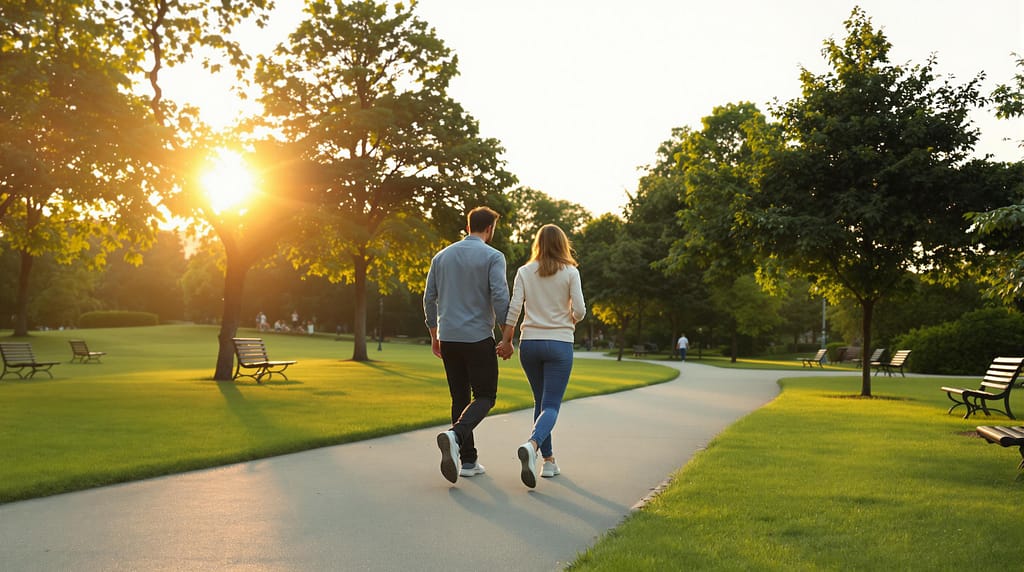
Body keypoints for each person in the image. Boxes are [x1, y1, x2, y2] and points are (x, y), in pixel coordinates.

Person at [423, 206, 510, 484]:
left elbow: (428, 298)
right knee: (485, 396)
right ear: (489, 229)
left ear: (469, 225)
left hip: (449, 337)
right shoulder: (493, 256)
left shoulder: (441, 257)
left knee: (459, 398)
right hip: (477, 337)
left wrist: (434, 334)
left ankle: (469, 460)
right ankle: (456, 436)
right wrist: (506, 334)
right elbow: (499, 295)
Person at [498, 224, 586, 488]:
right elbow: (580, 310)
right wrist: (570, 318)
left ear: (537, 243)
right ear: (563, 244)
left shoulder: (525, 272)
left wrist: (505, 340)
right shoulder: (571, 272)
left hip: (530, 344)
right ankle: (532, 444)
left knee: (540, 402)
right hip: (559, 344)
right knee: (551, 406)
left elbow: (514, 308)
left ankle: (548, 461)